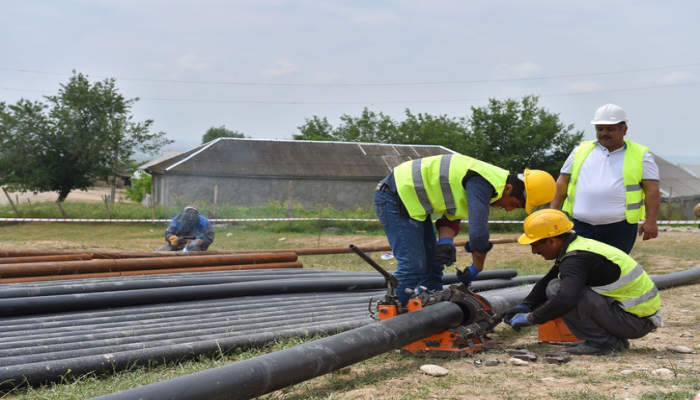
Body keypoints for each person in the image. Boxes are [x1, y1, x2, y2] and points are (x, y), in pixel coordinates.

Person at [373, 153, 556, 306]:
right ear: (508, 188)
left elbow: (453, 213)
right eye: (513, 204)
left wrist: (445, 241)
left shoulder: (489, 180)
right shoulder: (484, 183)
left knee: (433, 265)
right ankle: (389, 319)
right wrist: (477, 266)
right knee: (413, 266)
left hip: (412, 203)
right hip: (394, 195)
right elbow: (478, 234)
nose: (508, 209)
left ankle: (432, 313)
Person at [503, 209, 663, 355]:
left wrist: (530, 318)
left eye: (535, 245)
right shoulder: (578, 247)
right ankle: (612, 340)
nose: (534, 251)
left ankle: (603, 343)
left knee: (556, 290)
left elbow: (566, 299)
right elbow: (547, 279)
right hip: (636, 319)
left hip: (634, 322)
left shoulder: (577, 258)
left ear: (552, 241)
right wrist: (526, 305)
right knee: (554, 284)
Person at [550, 103, 660, 254]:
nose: (604, 133)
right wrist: (552, 213)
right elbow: (562, 183)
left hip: (620, 228)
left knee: (613, 270)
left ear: (624, 130)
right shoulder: (579, 151)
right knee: (580, 267)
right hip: (581, 226)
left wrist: (651, 221)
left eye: (610, 129)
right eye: (600, 129)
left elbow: (652, 190)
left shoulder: (642, 156)